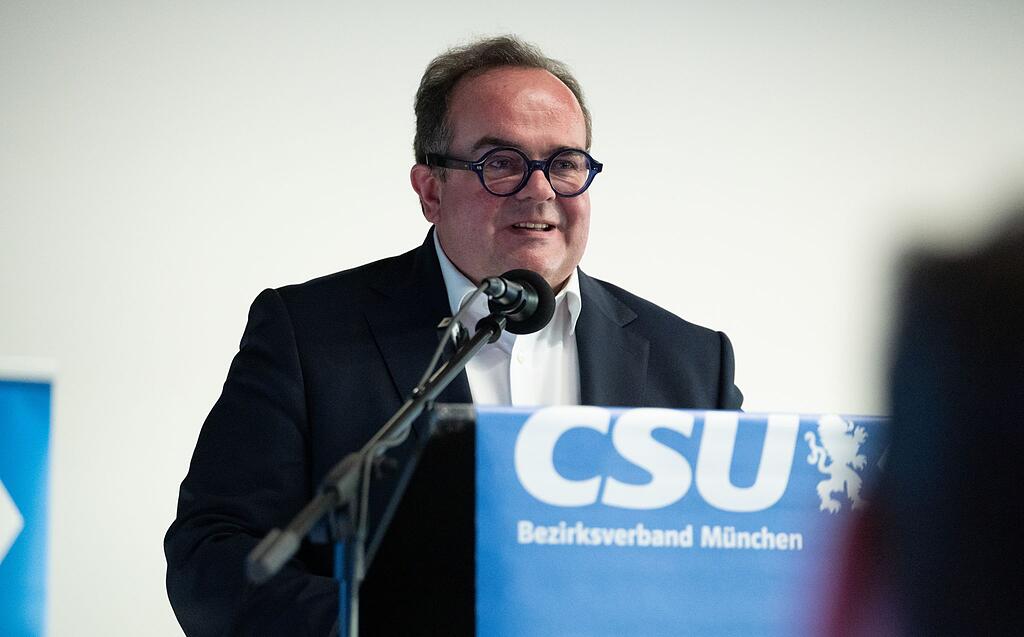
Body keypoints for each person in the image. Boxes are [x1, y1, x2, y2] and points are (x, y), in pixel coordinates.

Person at [165, 35, 743, 636]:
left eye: (565, 163)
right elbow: (212, 558)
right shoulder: (309, 335)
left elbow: (736, 574)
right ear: (430, 190)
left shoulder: (693, 363)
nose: (541, 190)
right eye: (501, 163)